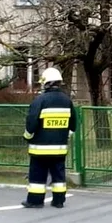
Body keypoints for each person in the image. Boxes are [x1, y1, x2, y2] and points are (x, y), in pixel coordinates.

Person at [22, 67, 75, 209]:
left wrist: (27, 136)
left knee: (37, 176)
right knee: (59, 176)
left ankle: (35, 201)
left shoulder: (40, 100)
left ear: (46, 83)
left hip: (40, 149)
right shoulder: (67, 100)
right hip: (59, 149)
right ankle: (58, 201)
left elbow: (31, 122)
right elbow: (74, 125)